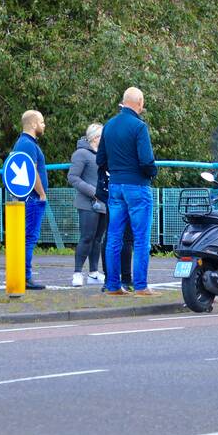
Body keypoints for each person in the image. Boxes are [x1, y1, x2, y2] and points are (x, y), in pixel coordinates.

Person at [96, 87, 159, 297]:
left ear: (124, 102)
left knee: (114, 236)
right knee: (141, 238)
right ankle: (140, 286)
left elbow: (100, 159)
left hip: (115, 186)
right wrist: (152, 173)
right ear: (139, 103)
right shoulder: (139, 127)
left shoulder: (109, 126)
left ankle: (113, 286)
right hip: (137, 187)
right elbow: (146, 160)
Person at [11, 110, 48, 290]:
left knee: (27, 237)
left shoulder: (24, 143)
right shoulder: (27, 144)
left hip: (29, 199)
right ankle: (25, 276)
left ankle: (23, 275)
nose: (44, 125)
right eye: (41, 122)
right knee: (29, 238)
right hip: (32, 199)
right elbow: (30, 172)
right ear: (33, 124)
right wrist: (42, 194)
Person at [68, 123, 107, 288]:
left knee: (97, 239)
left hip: (103, 203)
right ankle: (77, 273)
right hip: (87, 203)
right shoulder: (81, 154)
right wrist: (94, 192)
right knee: (87, 238)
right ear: (96, 137)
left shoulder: (104, 155)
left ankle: (93, 272)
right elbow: (73, 177)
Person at [96, 166, 134, 293]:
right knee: (127, 237)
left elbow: (100, 160)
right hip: (129, 185)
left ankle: (110, 280)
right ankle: (126, 279)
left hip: (110, 187)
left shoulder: (107, 147)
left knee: (110, 235)